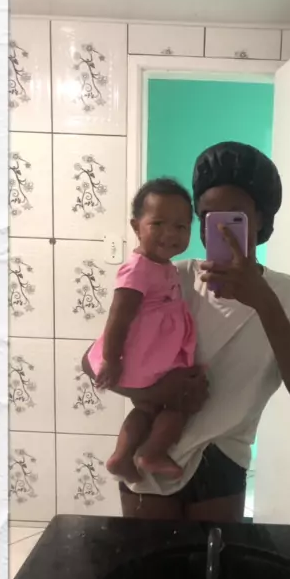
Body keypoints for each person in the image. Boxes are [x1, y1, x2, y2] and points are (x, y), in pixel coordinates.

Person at [114, 142, 290, 522]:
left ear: (260, 219)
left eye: (234, 217)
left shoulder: (286, 294)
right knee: (147, 558)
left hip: (224, 460)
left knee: (215, 559)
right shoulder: (172, 279)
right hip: (150, 452)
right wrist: (160, 393)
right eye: (209, 217)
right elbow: (98, 364)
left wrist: (264, 301)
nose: (222, 228)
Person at [82, 177, 199, 484]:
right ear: (136, 227)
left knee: (147, 409)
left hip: (150, 353)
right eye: (158, 224)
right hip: (142, 356)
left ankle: (121, 457)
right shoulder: (137, 268)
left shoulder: (162, 265)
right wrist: (111, 360)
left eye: (180, 226)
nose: (169, 234)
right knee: (178, 405)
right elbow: (118, 317)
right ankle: (151, 452)